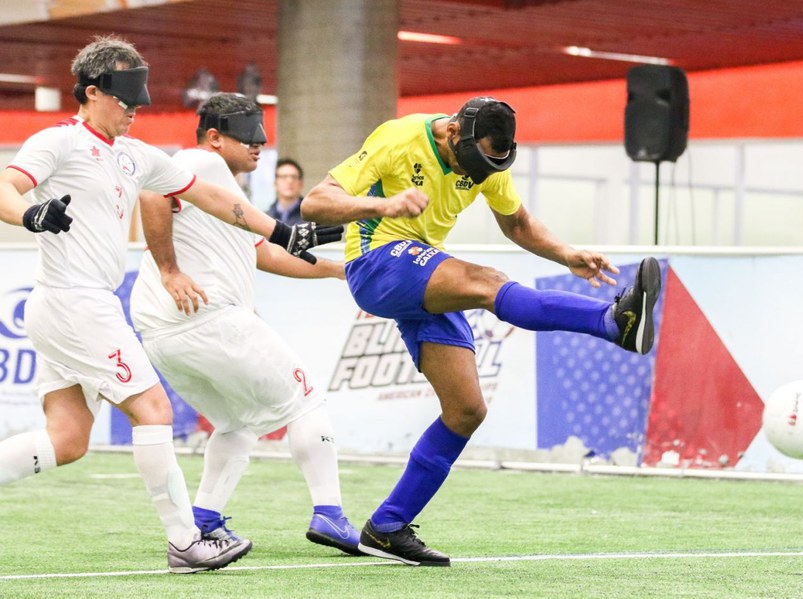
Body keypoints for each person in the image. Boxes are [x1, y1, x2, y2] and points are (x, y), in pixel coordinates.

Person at [0, 36, 340, 574]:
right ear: (91, 91)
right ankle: (185, 540)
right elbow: (6, 185)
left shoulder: (134, 155)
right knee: (153, 410)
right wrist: (31, 215)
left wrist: (282, 230)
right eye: (126, 97)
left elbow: (211, 198)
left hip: (70, 308)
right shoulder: (59, 141)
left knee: (66, 441)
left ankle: (188, 535)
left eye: (140, 97)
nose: (137, 108)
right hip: (74, 304)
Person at [301, 96, 662, 567]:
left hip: (421, 270)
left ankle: (386, 527)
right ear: (453, 130)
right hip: (376, 264)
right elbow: (314, 202)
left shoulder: (489, 160)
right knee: (488, 281)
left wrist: (565, 253)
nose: (474, 173)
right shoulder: (398, 137)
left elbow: (516, 222)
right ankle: (613, 322)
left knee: (466, 409)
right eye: (469, 161)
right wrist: (384, 203)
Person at [130, 93, 362, 556]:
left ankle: (205, 520)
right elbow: (152, 191)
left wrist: (339, 269)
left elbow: (267, 254)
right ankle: (330, 515)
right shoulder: (202, 163)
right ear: (215, 138)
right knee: (307, 399)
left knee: (236, 423)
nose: (260, 144)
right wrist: (171, 271)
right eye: (249, 136)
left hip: (163, 331)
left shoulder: (227, 195)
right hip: (207, 317)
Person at [267, 158, 305, 226]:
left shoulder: (310, 216)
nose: (289, 181)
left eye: (294, 177)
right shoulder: (266, 217)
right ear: (275, 183)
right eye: (284, 177)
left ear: (301, 184)